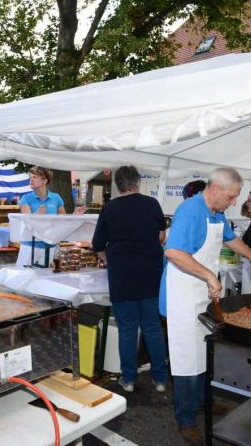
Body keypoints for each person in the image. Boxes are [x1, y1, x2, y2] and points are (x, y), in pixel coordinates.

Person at [160, 167, 251, 446]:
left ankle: (201, 402)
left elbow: (230, 239)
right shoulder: (190, 211)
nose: (233, 203)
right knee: (185, 358)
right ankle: (186, 420)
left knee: (204, 351)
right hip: (183, 294)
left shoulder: (217, 213)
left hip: (203, 294)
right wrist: (208, 275)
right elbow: (173, 252)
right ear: (216, 188)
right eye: (231, 197)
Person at [91, 166, 168, 394]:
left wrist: (110, 259)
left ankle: (128, 380)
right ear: (138, 183)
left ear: (117, 185)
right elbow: (162, 235)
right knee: (152, 327)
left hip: (122, 277)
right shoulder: (152, 204)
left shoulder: (110, 208)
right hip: (150, 276)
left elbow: (97, 246)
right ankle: (160, 379)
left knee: (127, 329)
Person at [17, 166, 86, 266]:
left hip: (52, 247)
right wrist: (37, 215)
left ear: (45, 180)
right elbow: (28, 224)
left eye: (35, 177)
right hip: (31, 248)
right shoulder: (25, 198)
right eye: (30, 177)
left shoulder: (56, 198)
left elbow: (64, 221)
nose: (31, 180)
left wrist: (76, 215)